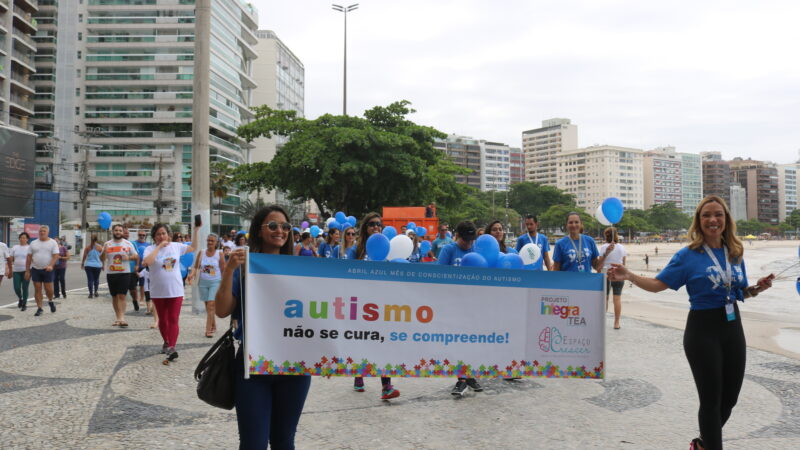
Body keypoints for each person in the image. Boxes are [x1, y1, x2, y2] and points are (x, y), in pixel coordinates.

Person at [608, 195, 774, 450]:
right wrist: (629, 275)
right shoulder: (687, 255)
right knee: (710, 401)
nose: (712, 220)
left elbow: (739, 291)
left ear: (726, 219)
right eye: (706, 215)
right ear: (699, 221)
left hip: (732, 327)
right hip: (702, 330)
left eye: (718, 214)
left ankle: (702, 444)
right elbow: (658, 284)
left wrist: (757, 288)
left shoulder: (735, 252)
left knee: (730, 399)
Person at [216, 205, 311, 448]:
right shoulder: (244, 266)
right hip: (254, 365)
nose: (280, 230)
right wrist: (229, 270)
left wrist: (327, 357)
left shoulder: (302, 270)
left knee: (283, 441)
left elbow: (320, 316)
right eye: (273, 225)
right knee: (253, 444)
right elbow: (222, 310)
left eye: (285, 226)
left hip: (294, 366)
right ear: (259, 230)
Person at [348, 212, 400, 399]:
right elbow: (345, 274)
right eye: (372, 224)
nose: (376, 227)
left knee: (383, 343)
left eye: (379, 224)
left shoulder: (388, 248)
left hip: (381, 303)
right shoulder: (356, 250)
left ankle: (386, 386)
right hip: (360, 303)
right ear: (365, 227)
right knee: (361, 340)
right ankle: (358, 375)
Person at [438, 221, 484, 396]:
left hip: (473, 304)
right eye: (465, 239)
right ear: (457, 236)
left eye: (471, 239)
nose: (469, 243)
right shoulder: (449, 250)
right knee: (459, 342)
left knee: (472, 342)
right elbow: (439, 274)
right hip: (454, 304)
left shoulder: (476, 250)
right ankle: (461, 379)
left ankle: (469, 376)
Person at [142, 223, 199, 363]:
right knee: (163, 319)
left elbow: (193, 247)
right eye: (158, 234)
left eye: (164, 233)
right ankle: (166, 341)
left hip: (176, 290)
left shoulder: (176, 246)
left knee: (173, 318)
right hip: (158, 291)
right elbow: (146, 262)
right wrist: (159, 247)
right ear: (154, 237)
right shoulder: (150, 249)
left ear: (168, 235)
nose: (161, 236)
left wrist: (196, 230)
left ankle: (172, 347)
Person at [101, 224, 139, 327]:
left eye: (120, 230)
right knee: (114, 297)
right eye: (116, 230)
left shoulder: (128, 243)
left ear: (122, 232)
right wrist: (104, 251)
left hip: (124, 273)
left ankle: (122, 318)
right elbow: (102, 259)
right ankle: (118, 317)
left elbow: (136, 256)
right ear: (112, 232)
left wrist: (129, 258)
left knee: (122, 295)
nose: (118, 232)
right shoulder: (107, 244)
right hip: (111, 273)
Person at [189, 233, 225, 338]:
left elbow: (223, 270)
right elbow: (196, 267)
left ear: (216, 242)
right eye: (208, 240)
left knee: (211, 305)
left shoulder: (219, 253)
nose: (209, 242)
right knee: (208, 306)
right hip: (203, 282)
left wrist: (224, 284)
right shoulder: (202, 252)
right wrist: (191, 275)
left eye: (212, 241)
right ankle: (213, 324)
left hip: (215, 282)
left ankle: (208, 330)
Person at [26, 226, 60, 316]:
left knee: (48, 289)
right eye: (41, 231)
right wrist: (27, 271)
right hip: (36, 269)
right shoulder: (33, 243)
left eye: (44, 231)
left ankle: (50, 300)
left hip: (47, 269)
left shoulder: (52, 242)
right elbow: (29, 257)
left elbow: (56, 255)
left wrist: (51, 265)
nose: (42, 232)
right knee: (37, 289)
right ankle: (39, 308)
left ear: (48, 232)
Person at [599, 227, 627, 330]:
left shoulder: (604, 247)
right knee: (617, 299)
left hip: (606, 274)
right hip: (618, 274)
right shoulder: (622, 247)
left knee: (605, 298)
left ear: (606, 236)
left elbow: (600, 262)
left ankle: (602, 321)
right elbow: (623, 263)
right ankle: (616, 323)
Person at [10, 232, 31, 310]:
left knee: (25, 287)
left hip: (26, 271)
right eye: (21, 238)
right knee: (17, 288)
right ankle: (20, 298)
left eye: (24, 238)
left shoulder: (30, 248)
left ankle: (24, 304)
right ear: (19, 239)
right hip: (16, 271)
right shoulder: (15, 247)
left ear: (27, 239)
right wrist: (8, 268)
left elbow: (32, 259)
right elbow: (11, 259)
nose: (22, 239)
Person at [134, 230, 152, 314]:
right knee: (133, 285)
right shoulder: (134, 243)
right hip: (135, 266)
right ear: (138, 235)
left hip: (144, 267)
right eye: (140, 235)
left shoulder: (148, 245)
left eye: (143, 235)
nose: (141, 236)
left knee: (142, 284)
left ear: (145, 236)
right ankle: (135, 298)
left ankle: (142, 299)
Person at [122, 227, 140, 311]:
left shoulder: (132, 243)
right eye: (125, 233)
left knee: (133, 289)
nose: (127, 234)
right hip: (120, 270)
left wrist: (137, 265)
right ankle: (122, 306)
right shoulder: (116, 244)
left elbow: (137, 256)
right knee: (122, 290)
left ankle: (135, 300)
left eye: (127, 233)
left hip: (131, 270)